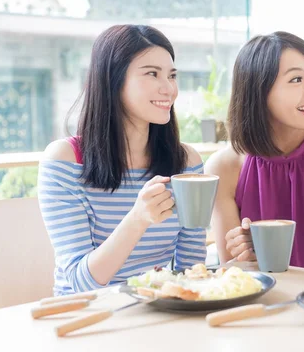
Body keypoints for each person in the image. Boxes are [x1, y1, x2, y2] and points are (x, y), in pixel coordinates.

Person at [38, 25, 206, 295]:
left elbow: (191, 268)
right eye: (152, 74)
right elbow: (82, 282)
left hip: (157, 312)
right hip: (85, 315)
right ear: (113, 81)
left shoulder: (186, 163)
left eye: (171, 75)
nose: (169, 89)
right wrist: (138, 219)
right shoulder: (65, 161)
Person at [205, 31, 304, 274]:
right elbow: (231, 274)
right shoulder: (224, 167)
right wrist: (246, 254)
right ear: (259, 91)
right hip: (261, 305)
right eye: (296, 80)